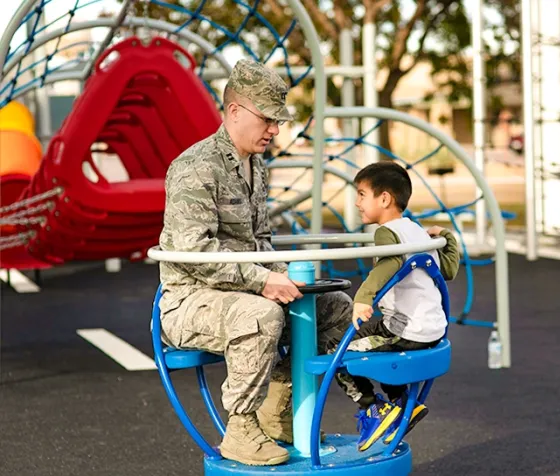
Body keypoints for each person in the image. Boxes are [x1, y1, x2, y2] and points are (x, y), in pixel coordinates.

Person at [158, 59, 353, 467]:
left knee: (333, 308)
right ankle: (241, 428)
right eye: (267, 118)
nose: (275, 130)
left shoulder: (256, 167)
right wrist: (263, 281)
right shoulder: (195, 168)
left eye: (278, 120)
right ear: (234, 111)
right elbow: (195, 253)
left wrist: (281, 276)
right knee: (261, 314)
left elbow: (260, 242)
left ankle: (276, 410)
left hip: (240, 290)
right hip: (190, 301)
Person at [325, 161, 461, 452]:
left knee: (334, 349)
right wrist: (447, 238)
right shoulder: (416, 232)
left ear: (384, 199)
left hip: (406, 329)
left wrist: (363, 298)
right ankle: (401, 403)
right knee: (371, 338)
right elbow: (447, 270)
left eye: (362, 194)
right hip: (433, 327)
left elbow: (389, 263)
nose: (357, 202)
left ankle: (374, 410)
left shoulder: (386, 233)